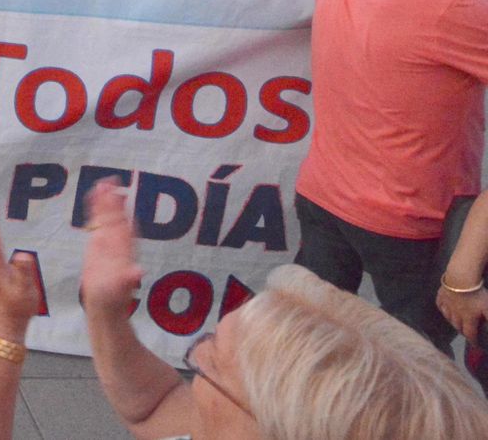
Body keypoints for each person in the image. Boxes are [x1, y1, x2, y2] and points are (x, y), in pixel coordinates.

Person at [77, 182, 488, 440]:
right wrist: (105, 312)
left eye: (212, 366)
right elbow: (157, 407)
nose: (195, 358)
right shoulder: (233, 424)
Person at [295, 0, 488, 385]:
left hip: (322, 198)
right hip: (408, 220)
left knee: (304, 342)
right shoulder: (460, 7)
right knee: (421, 371)